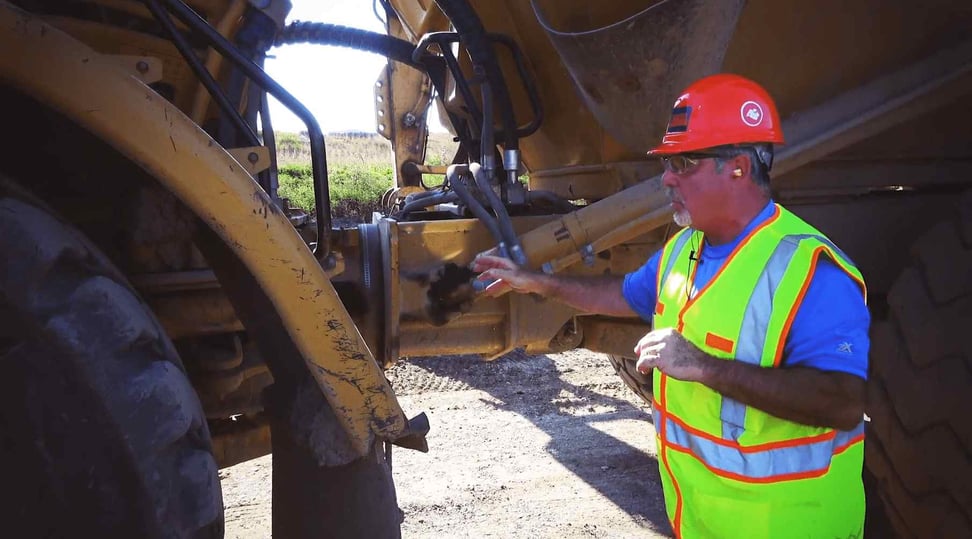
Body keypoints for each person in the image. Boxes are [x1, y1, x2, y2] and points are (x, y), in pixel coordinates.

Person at [472, 73, 869, 538]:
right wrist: (538, 283)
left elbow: (843, 404)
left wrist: (705, 366)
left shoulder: (812, 271)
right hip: (704, 522)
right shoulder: (684, 249)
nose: (666, 178)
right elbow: (623, 294)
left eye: (683, 163)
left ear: (738, 167)